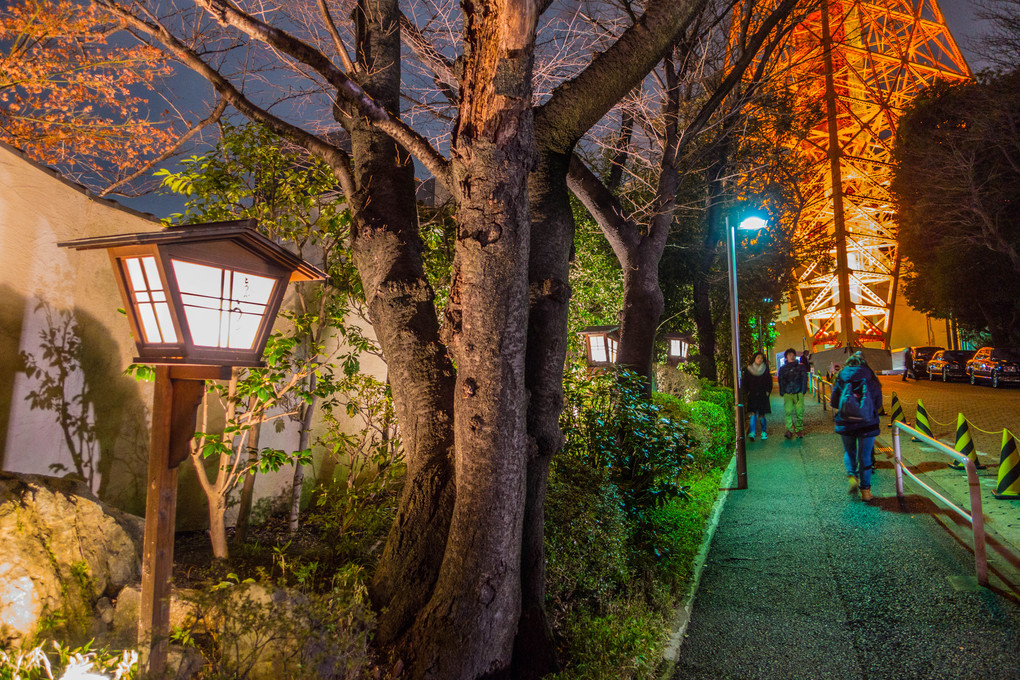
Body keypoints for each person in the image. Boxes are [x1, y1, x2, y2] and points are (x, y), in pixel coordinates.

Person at [830, 351, 882, 502]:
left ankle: (852, 475)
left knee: (849, 452)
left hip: (846, 421)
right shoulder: (870, 375)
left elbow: (834, 401)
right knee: (865, 457)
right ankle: (866, 492)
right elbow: (878, 402)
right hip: (867, 422)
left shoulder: (842, 375)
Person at [778, 348, 808, 439]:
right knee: (788, 411)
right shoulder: (783, 369)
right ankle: (789, 430)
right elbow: (781, 380)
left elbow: (804, 378)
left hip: (798, 392)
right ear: (786, 357)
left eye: (793, 354)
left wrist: (803, 390)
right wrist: (782, 391)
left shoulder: (800, 367)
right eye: (789, 355)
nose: (791, 356)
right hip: (788, 392)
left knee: (800, 411)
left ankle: (799, 429)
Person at [743, 352, 773, 441]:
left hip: (762, 394)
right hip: (752, 394)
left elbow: (769, 382)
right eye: (758, 358)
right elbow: (745, 382)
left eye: (761, 358)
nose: (760, 360)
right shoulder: (749, 370)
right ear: (754, 358)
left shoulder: (765, 369)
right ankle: (752, 432)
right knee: (752, 413)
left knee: (762, 414)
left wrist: (768, 392)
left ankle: (763, 431)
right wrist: (747, 392)